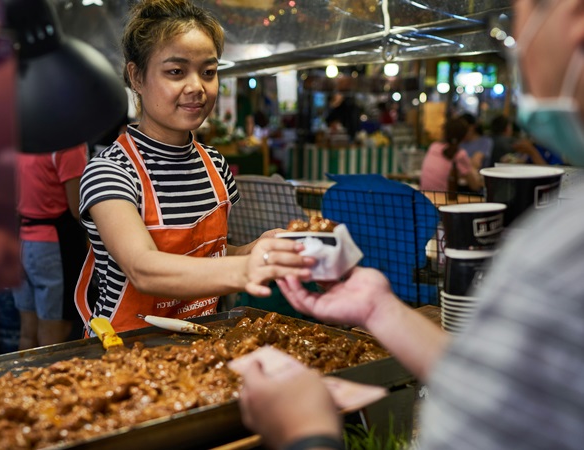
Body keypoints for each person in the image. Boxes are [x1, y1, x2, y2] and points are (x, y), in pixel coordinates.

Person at [238, 1, 584, 449]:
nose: (513, 50)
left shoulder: (560, 251)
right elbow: (516, 398)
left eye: (511, 28)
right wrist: (379, 309)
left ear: (573, 17)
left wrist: (306, 431)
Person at [75, 0, 312, 334]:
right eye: (175, 71)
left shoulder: (214, 164)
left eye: (208, 72)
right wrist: (249, 267)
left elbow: (210, 256)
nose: (197, 87)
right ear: (136, 76)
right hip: (126, 351)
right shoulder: (110, 172)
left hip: (199, 341)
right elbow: (144, 269)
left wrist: (255, 249)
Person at [13, 143, 88, 349]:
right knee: (55, 334)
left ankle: (24, 381)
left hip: (21, 241)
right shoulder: (68, 145)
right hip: (52, 247)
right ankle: (48, 381)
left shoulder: (24, 140)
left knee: (28, 333)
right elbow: (77, 208)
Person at [419, 117, 483, 193]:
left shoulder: (434, 147)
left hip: (423, 199)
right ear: (464, 135)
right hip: (443, 201)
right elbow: (474, 186)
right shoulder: (460, 154)